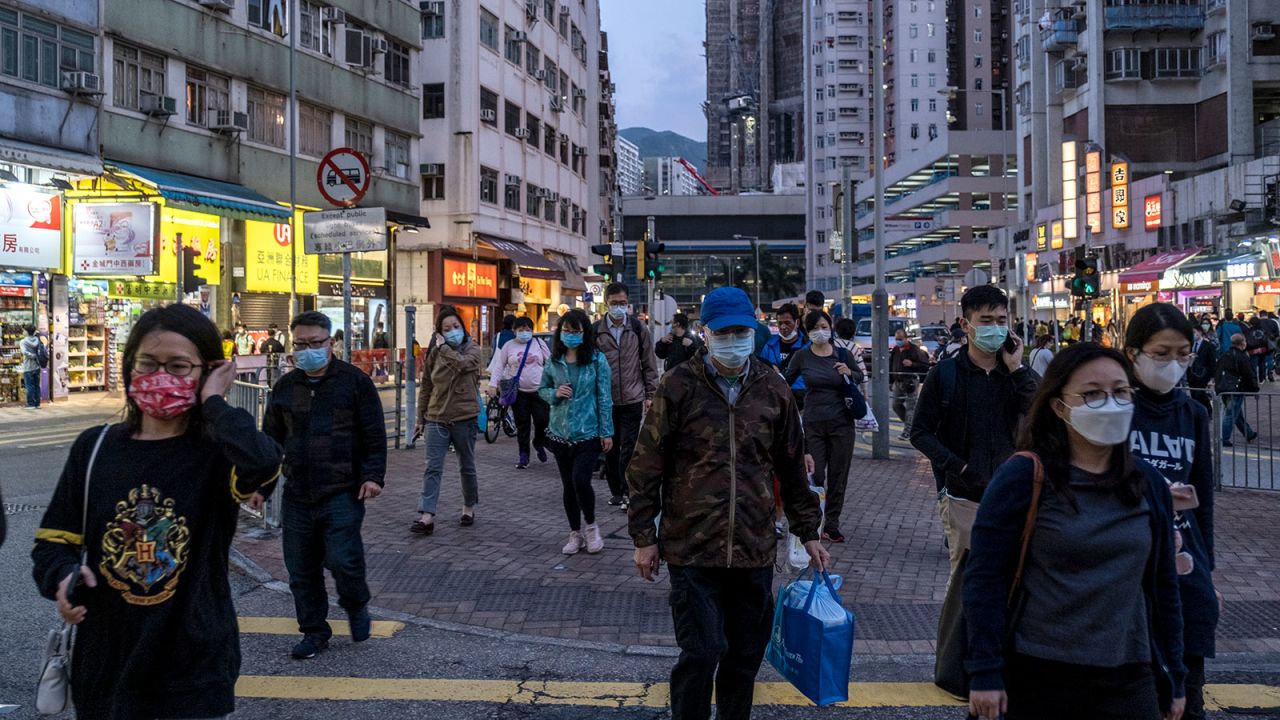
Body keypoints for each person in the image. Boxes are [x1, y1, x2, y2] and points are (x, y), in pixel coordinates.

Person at [33, 304, 283, 715]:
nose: (160, 375)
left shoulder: (218, 453)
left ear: (207, 372)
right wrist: (61, 578)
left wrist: (215, 404)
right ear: (130, 365)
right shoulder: (95, 448)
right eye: (147, 362)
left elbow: (265, 462)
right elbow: (52, 542)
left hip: (192, 666)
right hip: (105, 661)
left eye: (180, 366)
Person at [627, 286, 829, 720]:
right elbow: (646, 465)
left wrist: (808, 532)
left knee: (742, 660)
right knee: (700, 653)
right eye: (725, 332)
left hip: (753, 548)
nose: (734, 340)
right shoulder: (677, 386)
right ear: (706, 333)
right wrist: (644, 536)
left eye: (742, 331)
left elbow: (793, 469)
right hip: (691, 547)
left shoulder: (773, 389)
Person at [964, 342, 1186, 720]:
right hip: (1037, 675)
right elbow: (985, 579)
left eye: (1120, 392)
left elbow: (1163, 586)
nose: (1111, 404)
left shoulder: (1147, 483)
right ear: (1058, 406)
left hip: (1129, 676)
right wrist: (984, 671)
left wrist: (1174, 677)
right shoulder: (1023, 477)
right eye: (1092, 395)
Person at [259, 311, 385, 660]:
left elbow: (374, 435)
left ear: (331, 344)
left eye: (316, 343)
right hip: (298, 494)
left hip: (342, 491)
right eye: (302, 344)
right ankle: (315, 631)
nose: (309, 349)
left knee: (343, 559)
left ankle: (356, 603)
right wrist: (260, 488)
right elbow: (271, 443)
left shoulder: (355, 383)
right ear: (293, 346)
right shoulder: (285, 388)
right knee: (301, 569)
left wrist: (373, 476)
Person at [1124, 303, 1218, 720]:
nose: (1173, 364)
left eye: (1184, 354)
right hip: (1129, 565)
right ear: (1133, 353)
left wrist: (1207, 570)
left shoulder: (1193, 413)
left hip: (1182, 562)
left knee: (1186, 691)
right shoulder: (1115, 407)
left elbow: (1204, 500)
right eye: (1161, 354)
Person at [910, 284, 1036, 575]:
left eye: (1002, 321)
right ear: (966, 325)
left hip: (1013, 495)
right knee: (966, 581)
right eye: (986, 321)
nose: (995, 328)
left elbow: (1041, 413)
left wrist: (1018, 371)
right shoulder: (945, 374)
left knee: (1014, 579)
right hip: (962, 496)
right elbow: (920, 433)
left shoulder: (1017, 373)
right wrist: (960, 468)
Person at [785, 310, 866, 543]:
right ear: (807, 331)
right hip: (813, 423)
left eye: (824, 326)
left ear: (830, 327)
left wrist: (848, 372)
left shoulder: (842, 354)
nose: (821, 331)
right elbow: (785, 382)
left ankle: (832, 524)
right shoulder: (802, 356)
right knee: (815, 475)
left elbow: (860, 376)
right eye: (815, 327)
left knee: (839, 476)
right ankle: (815, 521)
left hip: (842, 423)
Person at [539, 309, 614, 555]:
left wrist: (607, 432)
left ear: (585, 333)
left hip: (589, 432)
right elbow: (542, 389)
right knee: (568, 486)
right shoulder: (553, 361)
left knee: (581, 480)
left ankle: (592, 527)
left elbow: (604, 397)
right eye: (566, 330)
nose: (570, 335)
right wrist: (555, 394)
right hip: (560, 432)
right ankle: (575, 534)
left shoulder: (596, 360)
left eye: (576, 330)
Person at [415, 305, 483, 532]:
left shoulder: (473, 349)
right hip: (436, 416)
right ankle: (426, 515)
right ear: (439, 333)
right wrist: (420, 418)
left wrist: (443, 348)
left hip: (464, 417)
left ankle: (468, 507)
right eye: (446, 329)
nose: (452, 331)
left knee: (466, 465)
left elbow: (464, 365)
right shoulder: (434, 353)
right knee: (432, 467)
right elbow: (426, 385)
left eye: (455, 326)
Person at [593, 282, 658, 510]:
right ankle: (616, 492)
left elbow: (649, 364)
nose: (619, 307)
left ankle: (628, 490)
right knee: (610, 447)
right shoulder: (596, 331)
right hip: (605, 400)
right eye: (614, 303)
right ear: (606, 304)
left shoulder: (638, 329)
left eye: (623, 303)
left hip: (632, 397)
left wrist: (651, 394)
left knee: (629, 447)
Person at [486, 317, 551, 469]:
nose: (524, 333)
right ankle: (524, 456)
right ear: (514, 331)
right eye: (521, 330)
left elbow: (551, 363)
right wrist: (492, 384)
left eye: (528, 330)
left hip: (539, 392)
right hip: (518, 393)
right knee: (523, 425)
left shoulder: (539, 344)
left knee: (543, 421)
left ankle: (539, 442)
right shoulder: (508, 346)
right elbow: (499, 366)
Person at [759, 302, 810, 405]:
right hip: (775, 398)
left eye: (787, 323)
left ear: (797, 323)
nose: (783, 327)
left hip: (803, 398)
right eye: (779, 323)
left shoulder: (808, 346)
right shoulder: (769, 346)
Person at [1216, 333, 1259, 447]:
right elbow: (1248, 374)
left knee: (1237, 414)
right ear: (1242, 343)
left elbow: (1218, 372)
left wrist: (1218, 387)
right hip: (1236, 389)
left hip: (1224, 389)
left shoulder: (1225, 355)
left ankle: (1249, 434)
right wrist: (1254, 389)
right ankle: (1224, 438)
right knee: (1231, 414)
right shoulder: (1241, 356)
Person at [889, 328, 930, 440]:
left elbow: (925, 364)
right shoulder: (896, 349)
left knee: (911, 407)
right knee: (896, 405)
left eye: (900, 339)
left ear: (906, 338)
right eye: (897, 339)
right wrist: (890, 381)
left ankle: (908, 430)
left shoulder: (914, 349)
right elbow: (891, 363)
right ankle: (910, 425)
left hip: (910, 381)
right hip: (898, 381)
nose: (898, 341)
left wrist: (912, 364)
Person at [1187, 321, 1217, 414]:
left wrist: (1212, 376)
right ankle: (1198, 412)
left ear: (1200, 332)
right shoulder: (1190, 345)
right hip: (1192, 373)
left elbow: (1212, 362)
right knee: (1193, 394)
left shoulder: (1208, 346)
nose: (1193, 335)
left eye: (1194, 332)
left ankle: (1208, 410)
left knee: (1200, 393)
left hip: (1204, 374)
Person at [19, 324, 42, 409]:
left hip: (28, 367)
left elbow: (24, 352)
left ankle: (31, 404)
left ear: (27, 332)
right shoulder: (37, 340)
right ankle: (37, 404)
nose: (23, 331)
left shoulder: (23, 341)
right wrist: (35, 356)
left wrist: (32, 356)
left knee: (29, 386)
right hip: (37, 366)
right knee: (36, 385)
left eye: (24, 330)